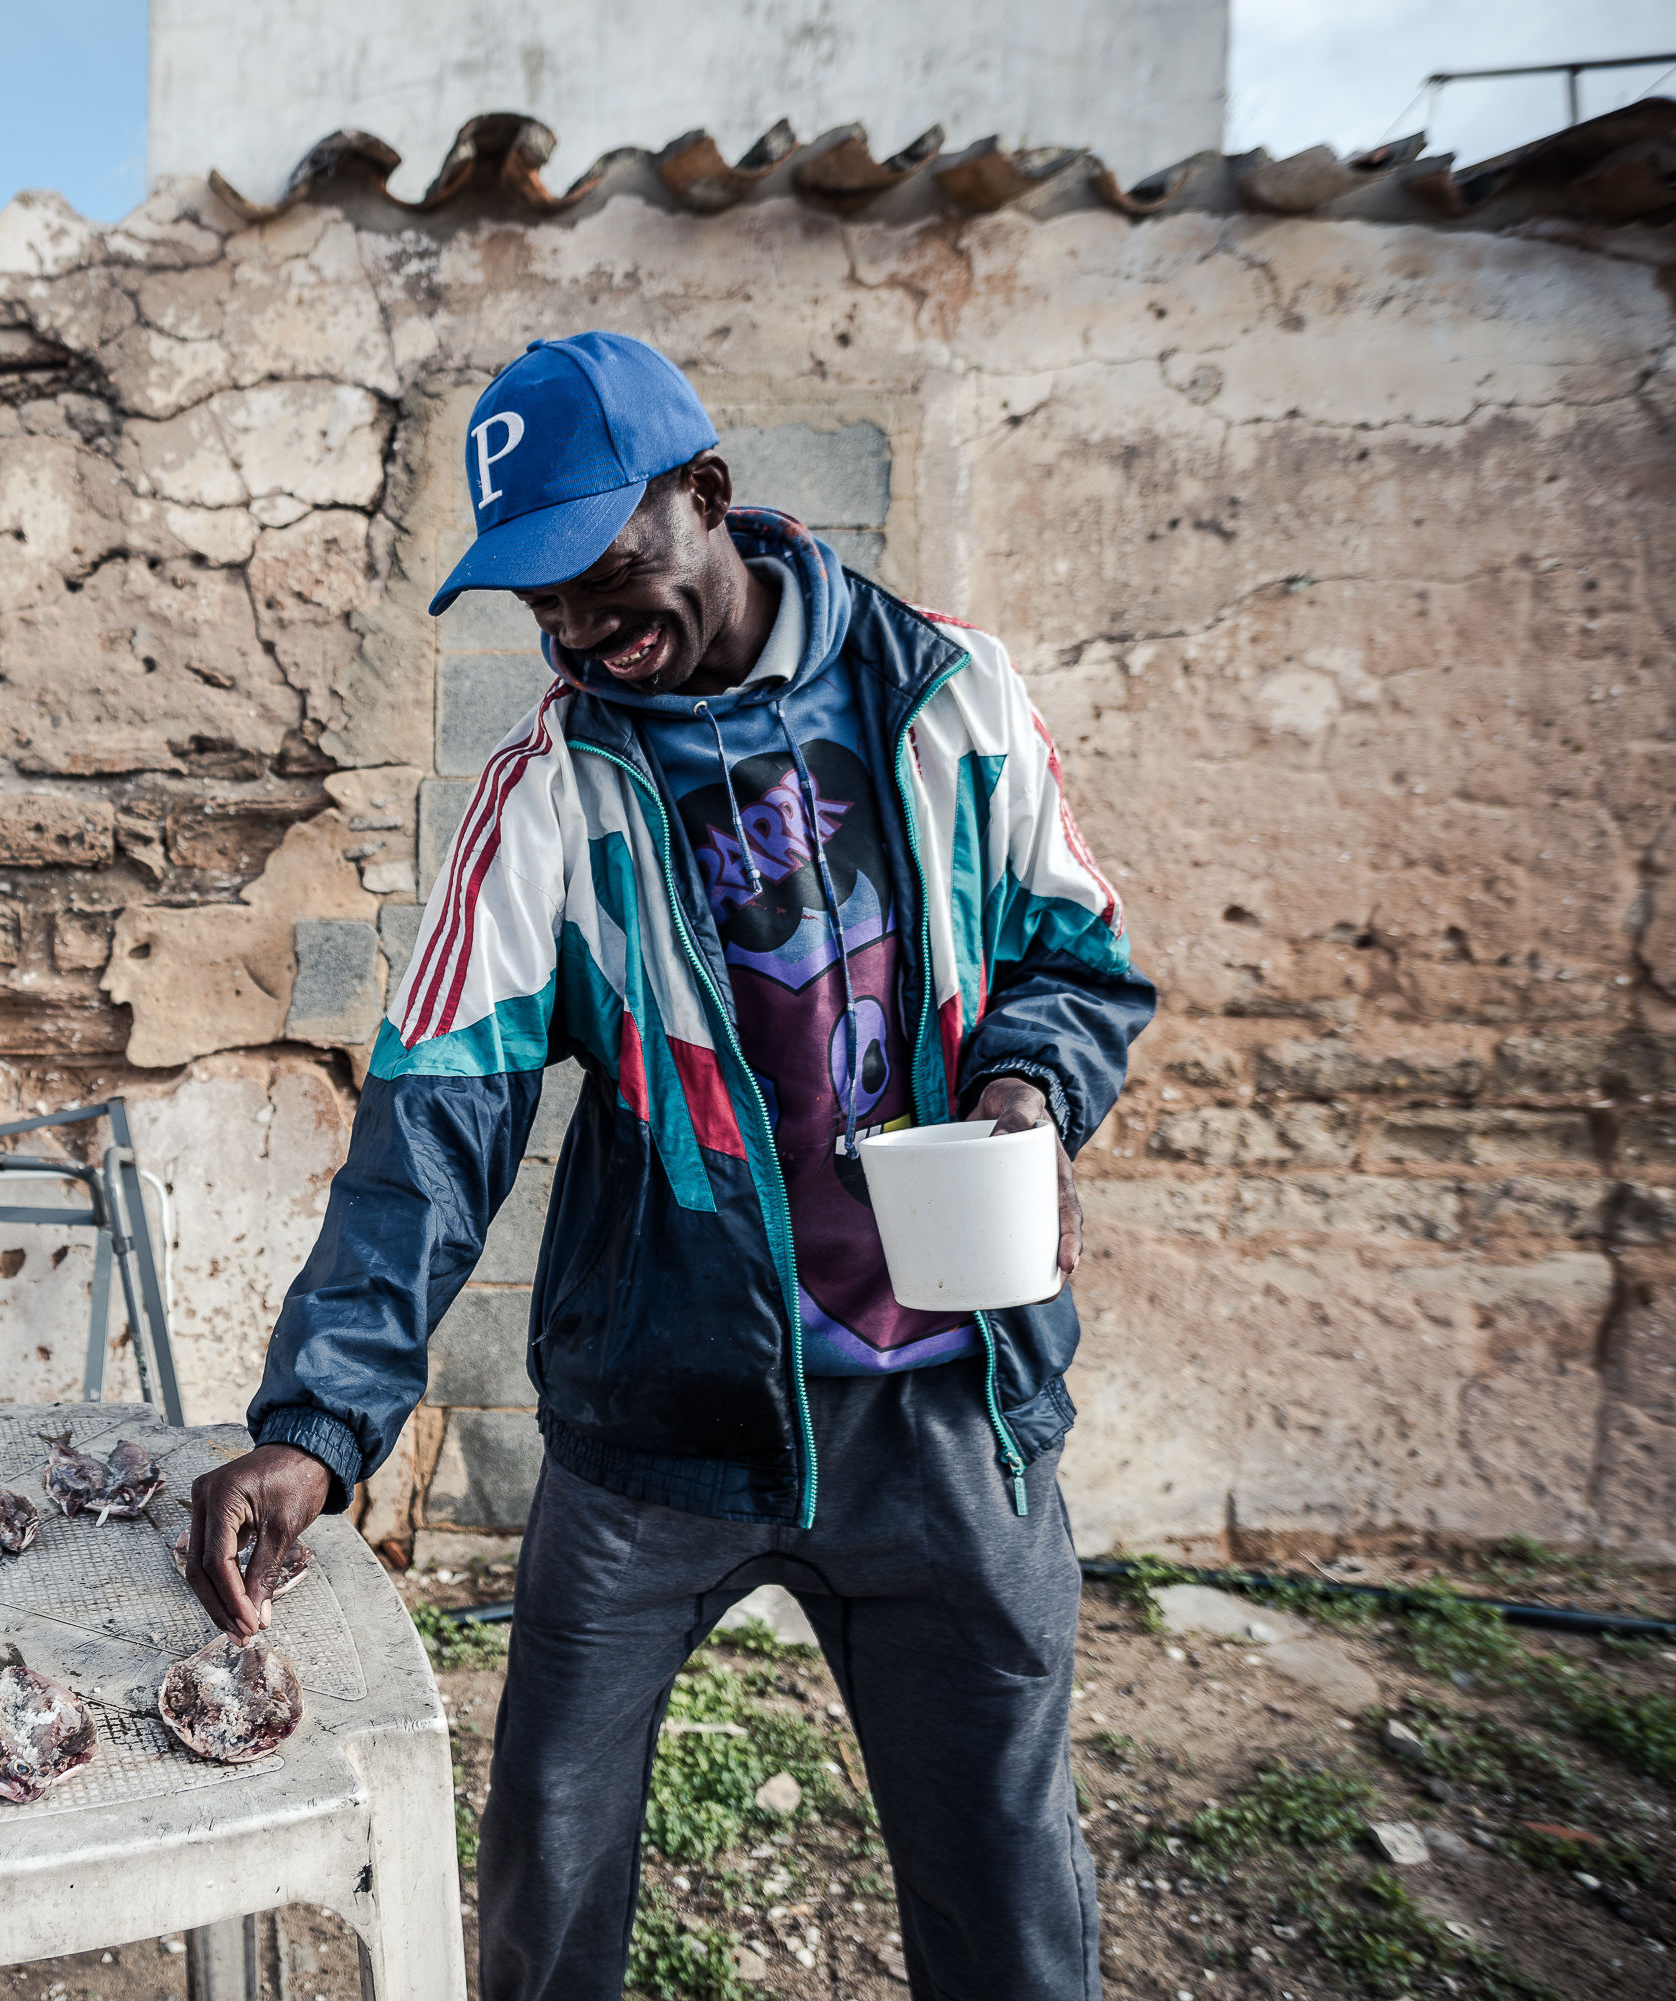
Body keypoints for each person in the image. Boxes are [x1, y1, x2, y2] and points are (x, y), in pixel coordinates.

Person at [179, 332, 1154, 2001]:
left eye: (600, 566)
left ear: (705, 493)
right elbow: (435, 1125)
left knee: (1007, 1898)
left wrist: (1024, 1087)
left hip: (946, 1416)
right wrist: (315, 1426)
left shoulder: (949, 693)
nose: (575, 623)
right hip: (658, 1428)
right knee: (548, 1880)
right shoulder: (547, 795)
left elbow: (1078, 960)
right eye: (537, 594)